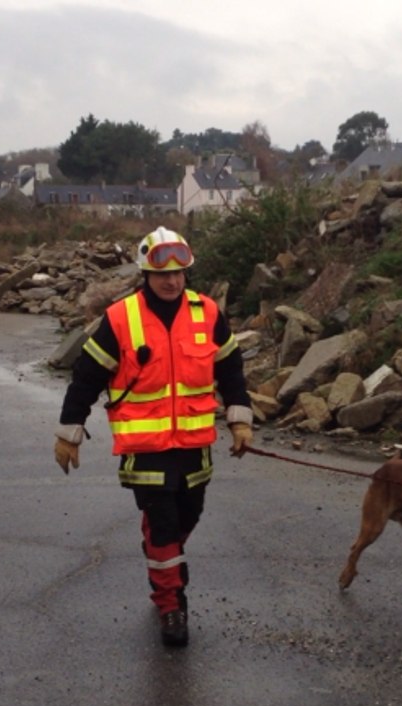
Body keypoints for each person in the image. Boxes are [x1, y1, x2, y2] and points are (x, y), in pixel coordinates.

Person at [53, 226, 254, 648]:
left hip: (194, 446)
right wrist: (69, 433)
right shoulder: (120, 319)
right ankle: (171, 605)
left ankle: (163, 563)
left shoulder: (208, 313)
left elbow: (231, 370)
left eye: (180, 272)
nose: (172, 280)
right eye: (163, 273)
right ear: (146, 273)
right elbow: (86, 377)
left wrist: (239, 420)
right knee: (163, 527)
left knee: (187, 517)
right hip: (145, 451)